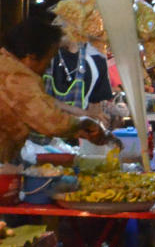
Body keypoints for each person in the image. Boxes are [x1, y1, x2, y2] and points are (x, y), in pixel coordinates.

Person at [0, 15, 108, 162]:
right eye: (48, 59)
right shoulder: (16, 76)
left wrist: (78, 128)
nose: (47, 66)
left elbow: (42, 104)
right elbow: (47, 120)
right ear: (31, 57)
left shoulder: (6, 64)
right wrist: (82, 123)